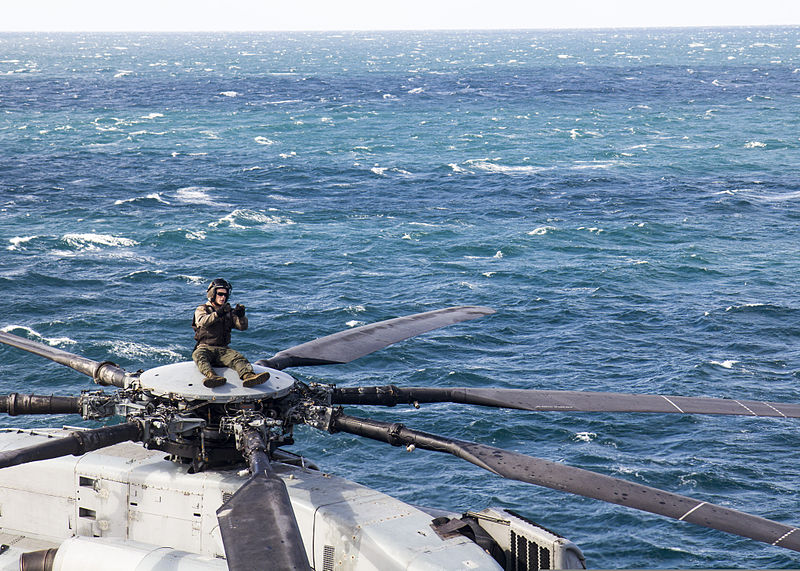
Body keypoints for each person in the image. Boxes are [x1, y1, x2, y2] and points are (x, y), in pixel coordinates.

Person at [192, 278, 270, 388]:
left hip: (223, 349)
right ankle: (212, 376)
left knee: (238, 358)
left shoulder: (227, 312)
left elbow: (242, 327)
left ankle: (248, 376)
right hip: (205, 347)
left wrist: (241, 316)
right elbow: (202, 322)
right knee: (199, 356)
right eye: (220, 294)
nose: (223, 297)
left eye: (225, 295)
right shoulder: (202, 309)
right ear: (212, 294)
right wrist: (218, 314)